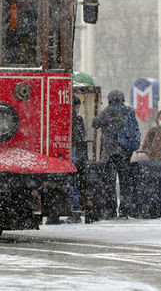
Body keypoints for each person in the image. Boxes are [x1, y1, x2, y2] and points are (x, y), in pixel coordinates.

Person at [92, 89, 139, 218]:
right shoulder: (128, 111)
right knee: (125, 182)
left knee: (110, 183)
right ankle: (124, 210)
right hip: (125, 152)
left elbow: (94, 123)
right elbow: (135, 129)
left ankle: (111, 210)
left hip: (110, 152)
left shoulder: (107, 111)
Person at [69, 95, 90, 223]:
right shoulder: (76, 119)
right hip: (75, 155)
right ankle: (75, 211)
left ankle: (73, 210)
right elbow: (80, 138)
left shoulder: (68, 118)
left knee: (71, 183)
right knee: (75, 184)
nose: (78, 108)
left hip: (70, 154)